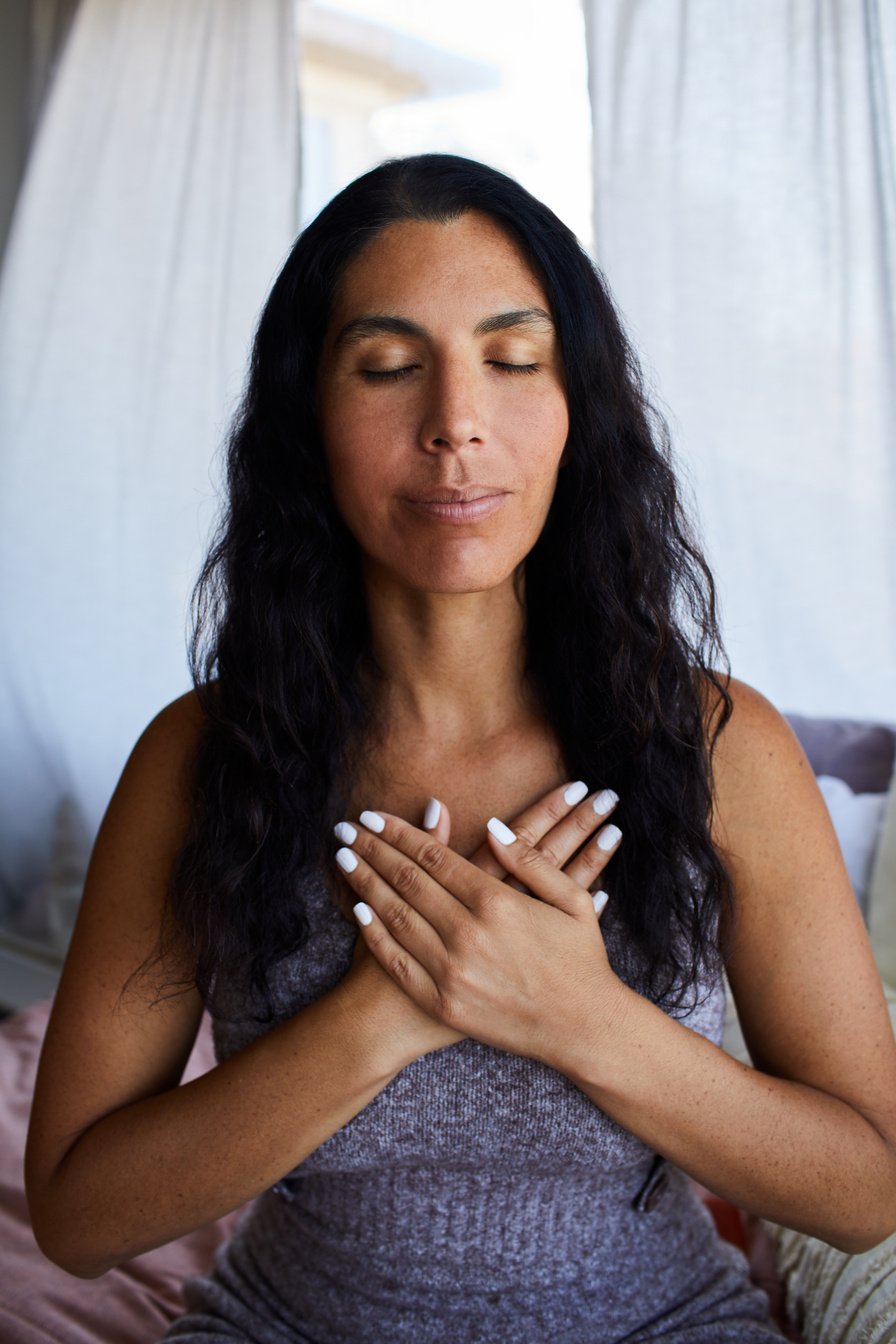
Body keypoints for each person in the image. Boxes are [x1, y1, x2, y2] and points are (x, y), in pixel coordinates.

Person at [25, 154, 896, 1344]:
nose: (454, 426)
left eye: (511, 359)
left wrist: (571, 1014)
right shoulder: (201, 756)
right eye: (387, 368)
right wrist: (384, 1016)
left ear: (577, 407)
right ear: (306, 418)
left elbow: (864, 1188)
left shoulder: (714, 748)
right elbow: (77, 1214)